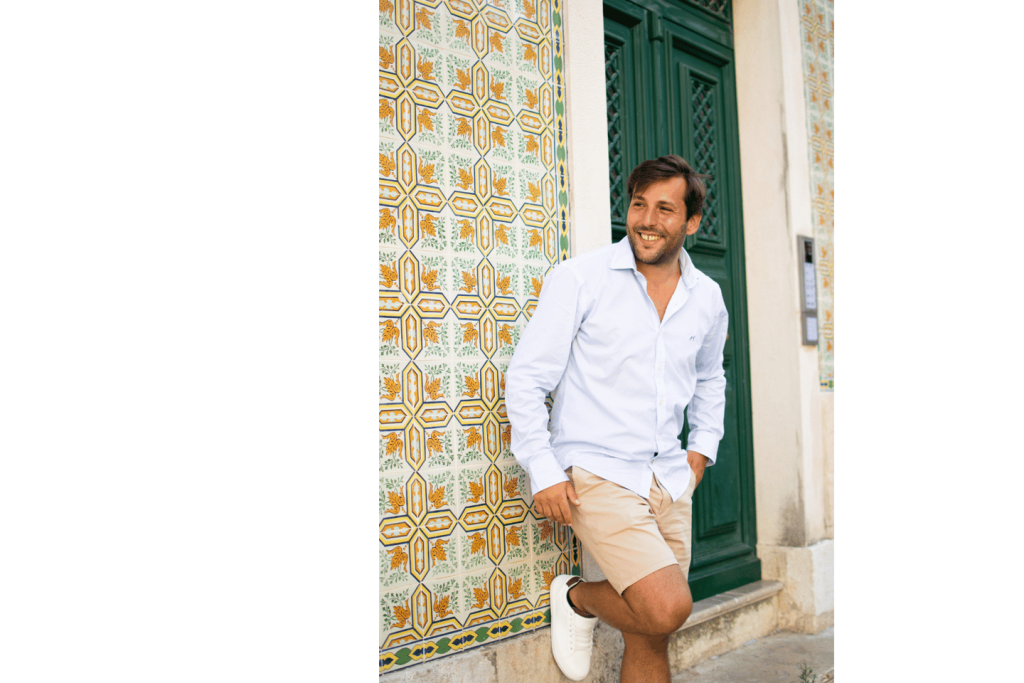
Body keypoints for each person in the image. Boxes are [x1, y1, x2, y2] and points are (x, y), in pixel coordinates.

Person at [505, 155, 728, 683]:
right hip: (597, 473)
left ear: (692, 222)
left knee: (651, 633)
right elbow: (527, 378)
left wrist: (702, 450)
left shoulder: (707, 297)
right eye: (638, 204)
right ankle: (577, 598)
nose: (647, 220)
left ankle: (586, 602)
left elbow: (710, 377)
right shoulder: (580, 278)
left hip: (668, 477)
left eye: (665, 209)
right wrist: (544, 470)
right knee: (666, 607)